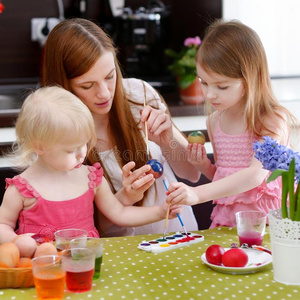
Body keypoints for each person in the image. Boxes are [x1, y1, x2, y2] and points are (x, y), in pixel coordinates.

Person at [40, 18, 200, 236]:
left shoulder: (139, 94)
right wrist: (126, 197)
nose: (104, 93)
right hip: (124, 260)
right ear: (64, 85)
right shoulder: (56, 137)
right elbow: (85, 231)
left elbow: (192, 173)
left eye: (109, 76)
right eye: (87, 85)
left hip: (181, 240)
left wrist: (167, 138)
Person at [0, 86, 182, 246]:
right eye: (71, 150)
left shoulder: (90, 178)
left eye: (85, 144)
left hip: (86, 267)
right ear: (39, 146)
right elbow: (2, 225)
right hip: (42, 272)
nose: (82, 154)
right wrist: (17, 241)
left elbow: (119, 213)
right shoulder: (22, 189)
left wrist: (160, 211)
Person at [166, 20, 299, 228]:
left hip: (265, 225)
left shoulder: (271, 120)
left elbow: (255, 175)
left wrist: (196, 193)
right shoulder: (214, 121)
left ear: (250, 79)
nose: (209, 95)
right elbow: (222, 176)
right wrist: (204, 166)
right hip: (227, 221)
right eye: (203, 82)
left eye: (222, 86)